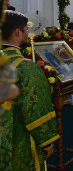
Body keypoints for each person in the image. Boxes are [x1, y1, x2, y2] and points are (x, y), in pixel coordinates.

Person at [0, 11, 59, 170]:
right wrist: (46, 142)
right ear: (17, 32)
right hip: (17, 137)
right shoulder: (26, 68)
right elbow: (35, 109)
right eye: (26, 29)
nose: (28, 34)